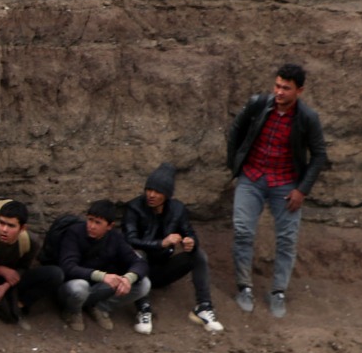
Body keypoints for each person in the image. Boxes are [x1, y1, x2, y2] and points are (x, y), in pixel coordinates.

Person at [227, 62, 328, 318]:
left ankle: (278, 291)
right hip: (252, 177)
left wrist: (302, 190)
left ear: (299, 91)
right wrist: (236, 164)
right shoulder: (259, 105)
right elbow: (236, 131)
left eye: (286, 88)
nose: (279, 92)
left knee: (286, 239)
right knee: (242, 230)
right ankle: (244, 286)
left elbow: (319, 156)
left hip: (285, 183)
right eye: (277, 86)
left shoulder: (307, 118)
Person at [122, 164, 222, 334]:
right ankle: (143, 309)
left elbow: (189, 232)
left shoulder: (177, 209)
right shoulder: (134, 208)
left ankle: (203, 307)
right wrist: (161, 243)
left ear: (167, 194)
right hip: (139, 271)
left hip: (163, 269)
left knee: (198, 255)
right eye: (149, 189)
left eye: (157, 191)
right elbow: (129, 240)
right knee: (138, 253)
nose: (151, 195)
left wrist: (191, 242)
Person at [0, 200, 63, 330]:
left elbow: (24, 267)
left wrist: (6, 285)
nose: (4, 230)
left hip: (12, 280)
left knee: (55, 274)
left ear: (22, 228)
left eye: (11, 226)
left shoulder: (31, 241)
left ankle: (20, 304)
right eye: (1, 223)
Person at [56, 199, 150, 332]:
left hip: (97, 290)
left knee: (143, 284)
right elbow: (68, 267)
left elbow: (139, 262)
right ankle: (72, 312)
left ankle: (101, 308)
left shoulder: (115, 238)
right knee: (80, 287)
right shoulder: (74, 233)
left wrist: (129, 278)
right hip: (72, 288)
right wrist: (101, 276)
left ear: (109, 226)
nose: (91, 226)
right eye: (90, 220)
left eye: (98, 222)